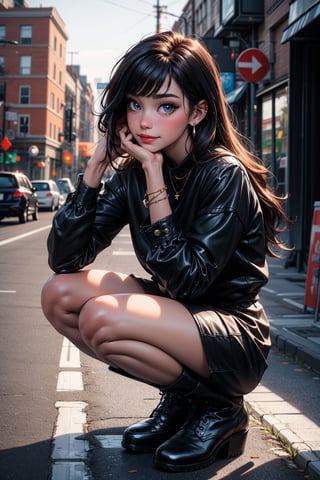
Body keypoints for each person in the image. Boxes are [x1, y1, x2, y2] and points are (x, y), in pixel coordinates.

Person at [41, 30, 288, 473]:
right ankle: (184, 404)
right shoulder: (133, 173)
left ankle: (219, 410)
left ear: (198, 111)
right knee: (58, 294)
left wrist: (156, 182)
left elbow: (190, 280)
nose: (144, 122)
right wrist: (95, 169)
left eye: (165, 106)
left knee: (102, 318)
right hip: (178, 313)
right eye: (135, 104)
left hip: (233, 334)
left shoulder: (222, 174)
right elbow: (65, 259)